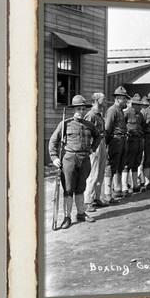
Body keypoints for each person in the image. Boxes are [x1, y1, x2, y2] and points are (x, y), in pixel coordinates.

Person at [49, 95, 99, 229]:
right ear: (73, 109)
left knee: (81, 188)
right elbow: (53, 141)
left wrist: (92, 149)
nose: (81, 111)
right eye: (78, 109)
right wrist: (54, 158)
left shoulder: (90, 125)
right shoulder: (65, 124)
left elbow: (98, 137)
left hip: (84, 160)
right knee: (69, 189)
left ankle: (81, 214)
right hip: (69, 159)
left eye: (83, 109)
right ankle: (67, 217)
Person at [103, 86, 130, 202]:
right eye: (124, 99)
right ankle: (108, 194)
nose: (126, 101)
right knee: (111, 166)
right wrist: (107, 144)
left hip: (122, 140)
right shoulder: (112, 110)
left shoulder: (120, 111)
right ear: (118, 99)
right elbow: (107, 129)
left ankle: (117, 190)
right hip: (115, 141)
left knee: (119, 165)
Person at [84, 92, 108, 212]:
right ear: (97, 100)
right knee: (93, 173)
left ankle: (96, 198)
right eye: (103, 99)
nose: (105, 101)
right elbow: (86, 133)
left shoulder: (99, 114)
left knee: (100, 172)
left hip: (102, 143)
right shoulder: (91, 115)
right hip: (95, 145)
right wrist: (91, 148)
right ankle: (88, 201)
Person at [121, 93, 145, 195]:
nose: (140, 107)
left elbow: (142, 126)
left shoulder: (140, 115)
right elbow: (123, 125)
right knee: (127, 164)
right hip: (130, 141)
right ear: (133, 104)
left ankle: (135, 185)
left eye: (140, 105)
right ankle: (124, 186)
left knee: (136, 163)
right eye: (138, 105)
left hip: (138, 141)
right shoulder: (126, 113)